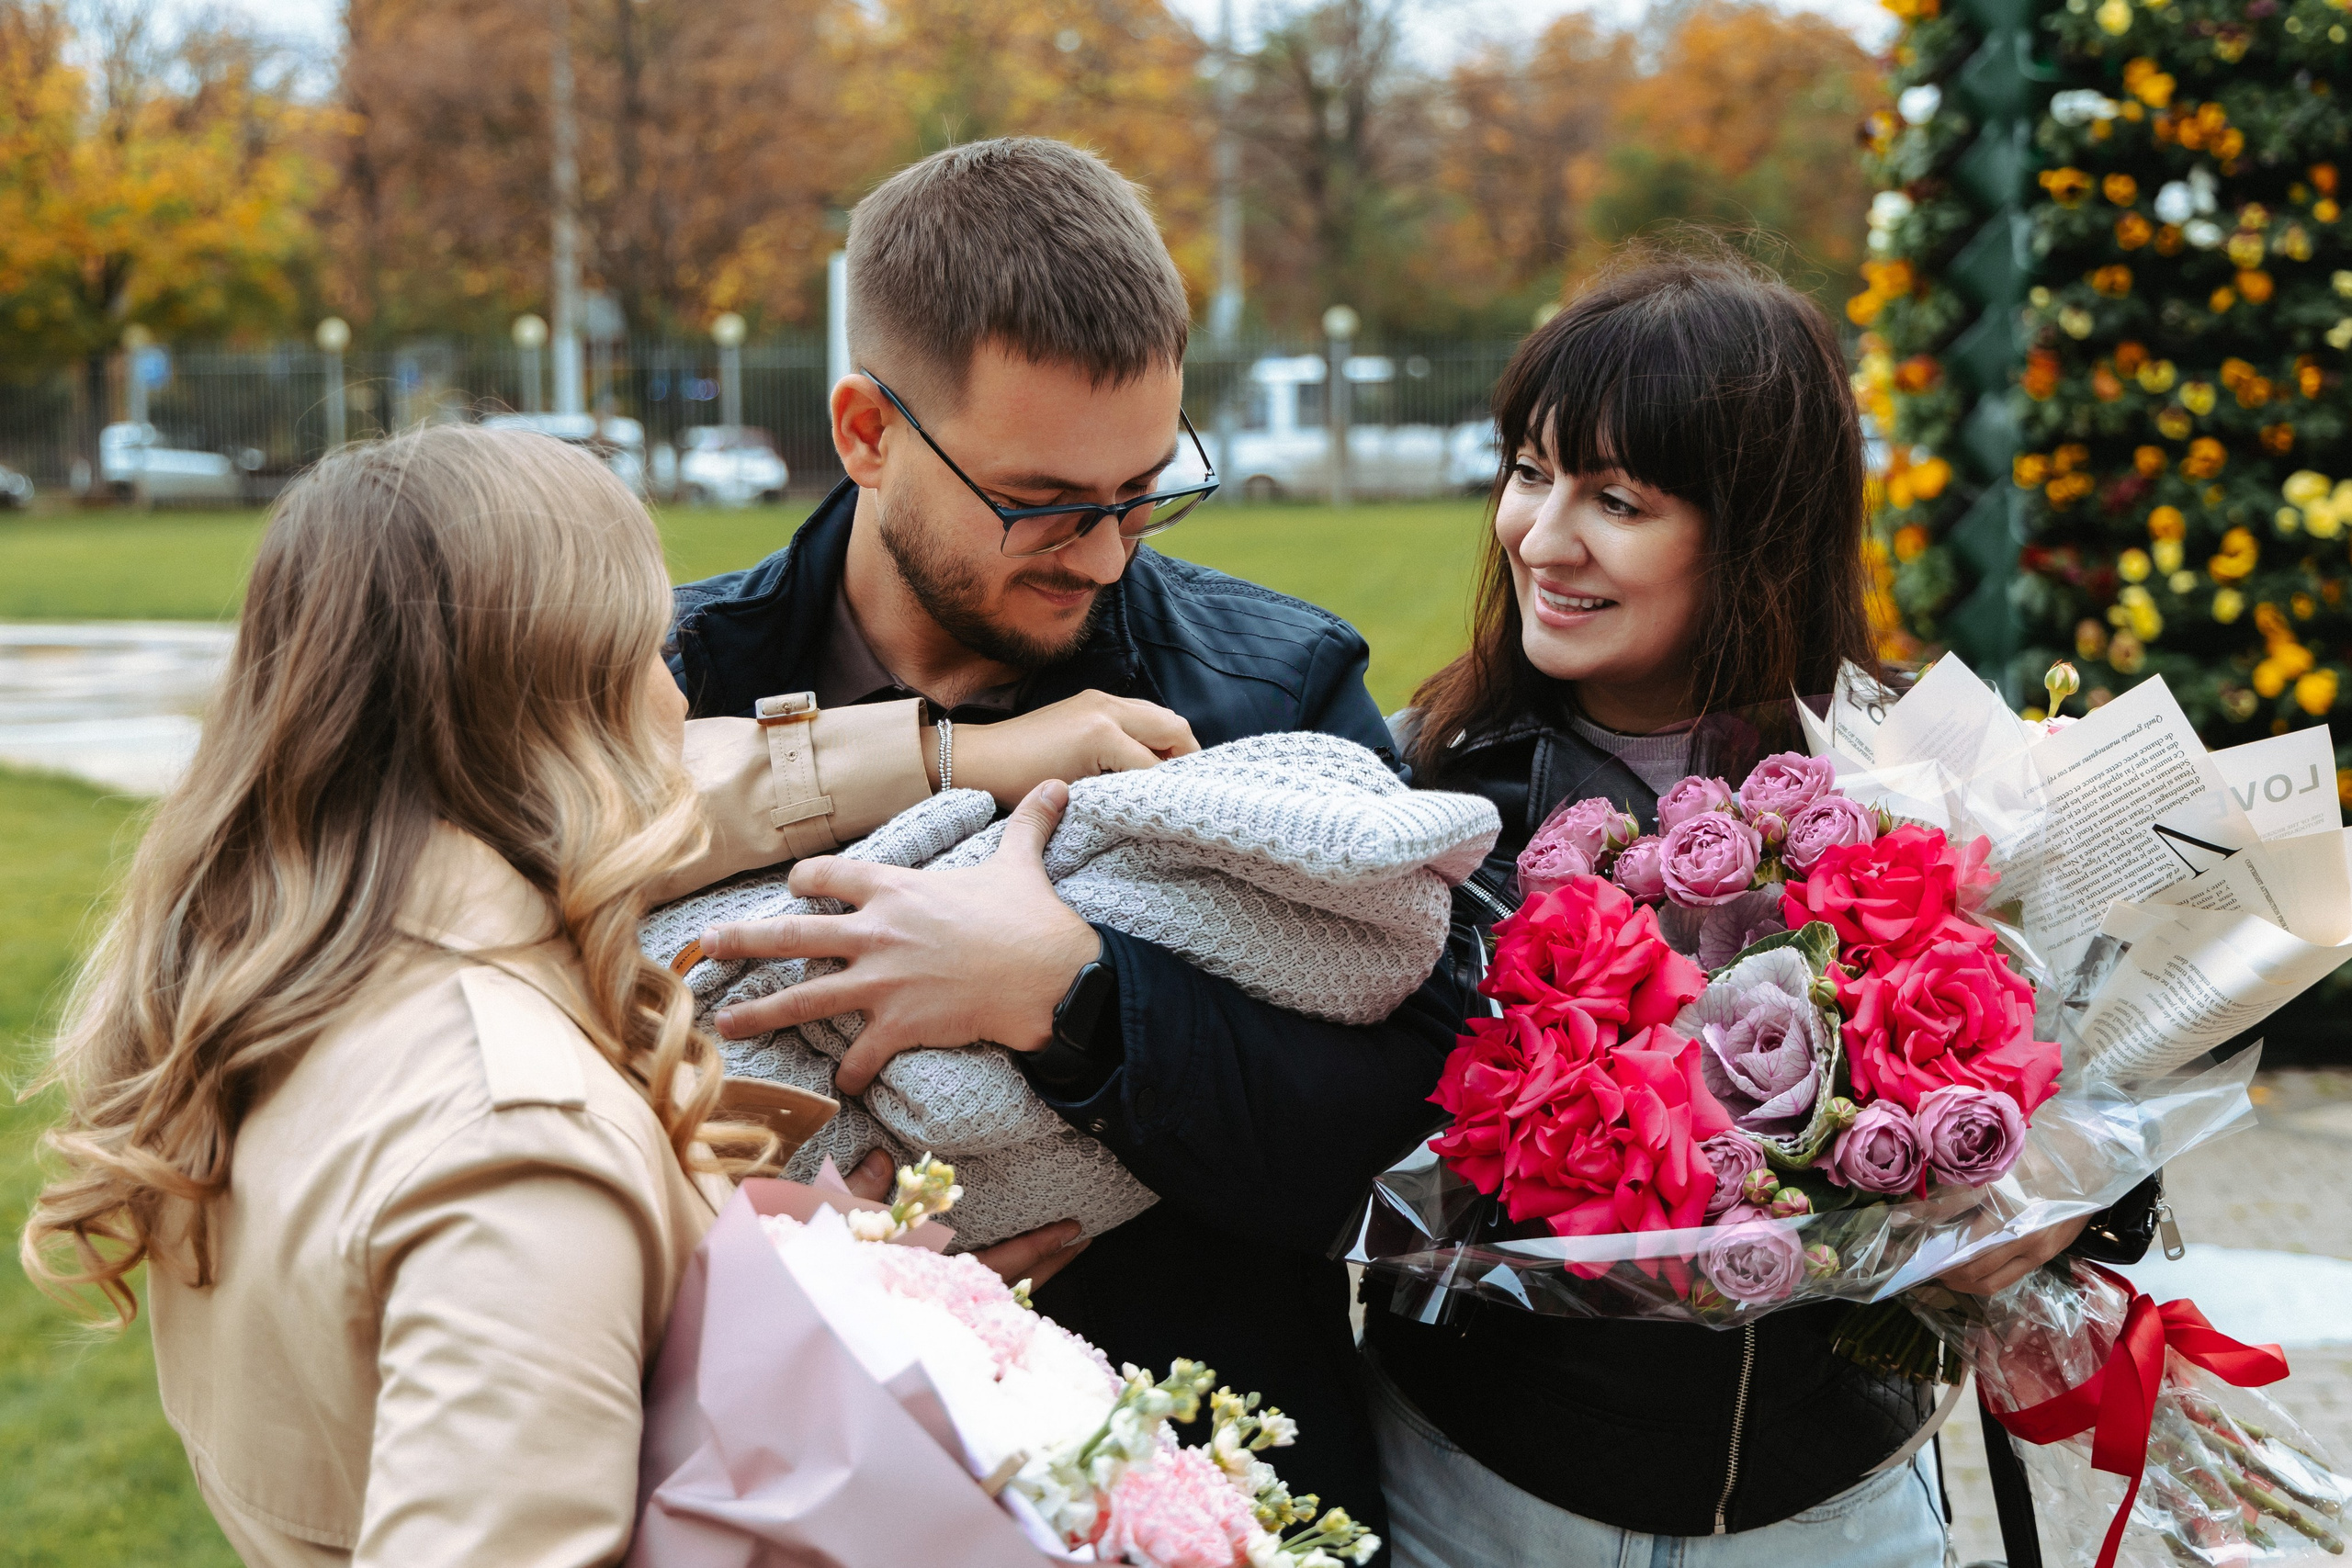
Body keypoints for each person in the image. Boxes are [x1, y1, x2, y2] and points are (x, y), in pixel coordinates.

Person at [668, 136, 1479, 1530]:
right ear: (866, 434)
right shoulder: (669, 684)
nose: (1105, 553)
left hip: (1221, 1499)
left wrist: (1077, 999)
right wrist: (802, 1265)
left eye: (1144, 488)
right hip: (794, 1510)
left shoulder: (1273, 690)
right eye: (1040, 504)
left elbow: (1418, 1129)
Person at [1363, 245, 2161, 1568]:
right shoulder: (1423, 790)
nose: (1540, 536)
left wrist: (2067, 1190)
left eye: (1616, 498)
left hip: (1833, 1501)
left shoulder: (1915, 783)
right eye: (1529, 470)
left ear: (1757, 526)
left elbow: (2099, 1070)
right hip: (1483, 1490)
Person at [17, 425, 785, 1565]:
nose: (677, 699)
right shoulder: (516, 1146)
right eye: (648, 648)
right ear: (556, 709)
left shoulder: (276, 987)